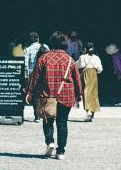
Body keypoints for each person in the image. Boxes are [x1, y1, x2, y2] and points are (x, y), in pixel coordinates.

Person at [25, 31, 82, 160]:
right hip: (66, 95)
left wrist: (30, 92)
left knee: (47, 120)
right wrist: (79, 95)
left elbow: (35, 77)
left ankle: (50, 142)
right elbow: (77, 79)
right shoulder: (70, 60)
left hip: (47, 95)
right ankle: (60, 151)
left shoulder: (44, 58)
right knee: (62, 123)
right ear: (64, 44)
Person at [22, 32, 45, 121]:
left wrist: (27, 76)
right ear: (38, 39)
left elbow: (26, 65)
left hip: (33, 74)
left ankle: (37, 116)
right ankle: (46, 113)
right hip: (43, 74)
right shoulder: (44, 47)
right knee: (44, 93)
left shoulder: (27, 49)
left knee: (35, 94)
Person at [77, 43, 102, 121]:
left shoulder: (82, 57)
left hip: (86, 74)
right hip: (94, 75)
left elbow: (79, 65)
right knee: (94, 94)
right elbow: (100, 69)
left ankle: (87, 112)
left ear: (85, 49)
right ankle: (93, 115)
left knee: (86, 93)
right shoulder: (96, 57)